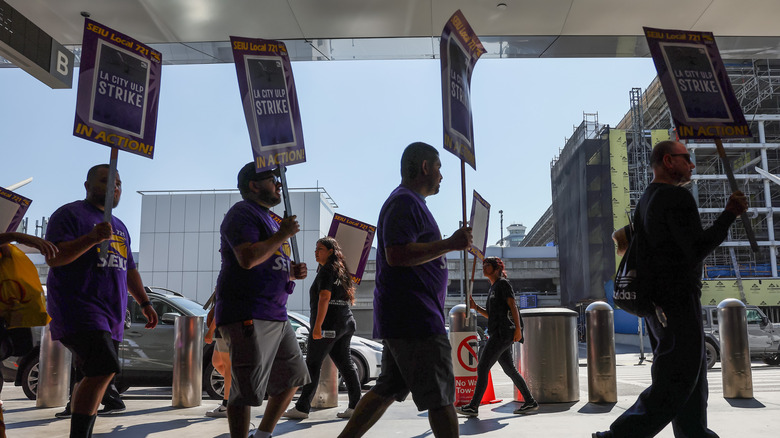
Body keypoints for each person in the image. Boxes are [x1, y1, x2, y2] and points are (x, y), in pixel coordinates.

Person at [593, 140, 748, 438]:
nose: (691, 165)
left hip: (657, 306)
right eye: (686, 159)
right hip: (677, 301)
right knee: (676, 380)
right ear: (668, 161)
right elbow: (696, 249)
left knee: (692, 379)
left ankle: (694, 434)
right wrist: (730, 213)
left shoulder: (646, 200)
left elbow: (622, 239)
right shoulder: (677, 198)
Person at [338, 142, 472, 438]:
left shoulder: (410, 203)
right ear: (424, 166)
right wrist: (449, 244)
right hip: (416, 318)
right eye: (438, 167)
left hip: (408, 317)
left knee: (388, 387)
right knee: (440, 397)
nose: (441, 176)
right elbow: (396, 254)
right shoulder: (404, 202)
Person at [44, 164, 159, 438]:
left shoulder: (119, 227)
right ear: (87, 186)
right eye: (106, 181)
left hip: (112, 315)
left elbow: (129, 268)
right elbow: (54, 257)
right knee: (104, 367)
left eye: (118, 183)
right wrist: (91, 239)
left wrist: (144, 303)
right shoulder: (69, 214)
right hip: (79, 308)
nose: (114, 188)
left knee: (100, 375)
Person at [215, 163, 309, 438]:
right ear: (254, 186)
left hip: (276, 314)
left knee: (293, 377)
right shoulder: (242, 213)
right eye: (272, 179)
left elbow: (265, 259)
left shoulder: (270, 219)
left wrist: (289, 270)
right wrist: (283, 235)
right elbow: (247, 258)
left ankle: (263, 434)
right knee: (246, 389)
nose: (279, 184)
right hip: (249, 310)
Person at [283, 236, 362, 420]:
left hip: (329, 324)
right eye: (315, 248)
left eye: (320, 249)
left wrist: (317, 326)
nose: (316, 252)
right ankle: (355, 407)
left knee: (312, 364)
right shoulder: (341, 271)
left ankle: (302, 407)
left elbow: (324, 298)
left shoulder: (327, 271)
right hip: (345, 322)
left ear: (331, 252)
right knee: (346, 364)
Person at [455, 256, 538, 417]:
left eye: (488, 265)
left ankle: (473, 406)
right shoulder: (493, 288)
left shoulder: (502, 284)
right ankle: (530, 402)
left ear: (497, 268)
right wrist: (476, 308)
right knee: (509, 369)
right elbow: (491, 315)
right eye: (484, 264)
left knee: (483, 367)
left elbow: (513, 304)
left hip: (503, 332)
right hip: (498, 332)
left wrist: (518, 329)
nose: (484, 267)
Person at [204, 303, 231, 418]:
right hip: (223, 329)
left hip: (226, 328)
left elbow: (221, 308)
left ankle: (226, 405)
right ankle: (236, 388)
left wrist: (210, 331)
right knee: (216, 362)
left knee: (228, 368)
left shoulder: (227, 285)